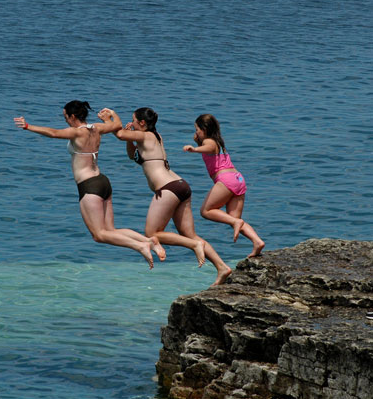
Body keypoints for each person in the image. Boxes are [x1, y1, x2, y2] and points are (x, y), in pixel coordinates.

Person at [14, 101, 162, 269]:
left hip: (89, 185)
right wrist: (111, 114)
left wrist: (28, 126)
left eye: (65, 117)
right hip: (102, 181)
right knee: (110, 231)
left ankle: (140, 246)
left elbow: (53, 133)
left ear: (73, 117)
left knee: (99, 235)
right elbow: (117, 125)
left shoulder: (77, 133)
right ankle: (149, 241)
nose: (65, 121)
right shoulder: (96, 128)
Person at [113, 107, 233, 286]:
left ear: (142, 123)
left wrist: (113, 118)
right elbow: (133, 155)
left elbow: (120, 134)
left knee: (152, 233)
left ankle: (194, 246)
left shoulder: (147, 136)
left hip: (168, 189)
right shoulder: (154, 137)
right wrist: (130, 136)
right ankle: (222, 267)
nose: (132, 124)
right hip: (180, 186)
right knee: (188, 234)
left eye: (134, 121)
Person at [183, 114, 264, 258]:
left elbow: (208, 147)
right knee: (233, 218)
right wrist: (198, 142)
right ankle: (257, 241)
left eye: (197, 129)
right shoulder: (219, 142)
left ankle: (236, 222)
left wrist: (194, 149)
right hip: (238, 179)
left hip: (226, 179)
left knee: (206, 211)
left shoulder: (210, 142)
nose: (195, 133)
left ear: (205, 129)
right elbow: (208, 148)